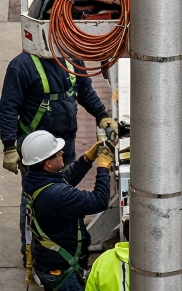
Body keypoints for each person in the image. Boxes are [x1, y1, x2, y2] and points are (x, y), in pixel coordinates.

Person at [21, 130, 114, 291]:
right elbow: (99, 201)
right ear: (48, 163)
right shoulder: (56, 195)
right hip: (64, 271)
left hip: (50, 262)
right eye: (58, 153)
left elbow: (64, 177)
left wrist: (87, 159)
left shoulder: (35, 178)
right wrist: (103, 169)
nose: (62, 152)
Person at [0, 52, 114, 171]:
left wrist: (102, 115)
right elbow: (9, 108)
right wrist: (9, 147)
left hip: (66, 143)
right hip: (36, 150)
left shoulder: (71, 59)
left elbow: (85, 91)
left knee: (66, 184)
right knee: (41, 188)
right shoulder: (21, 66)